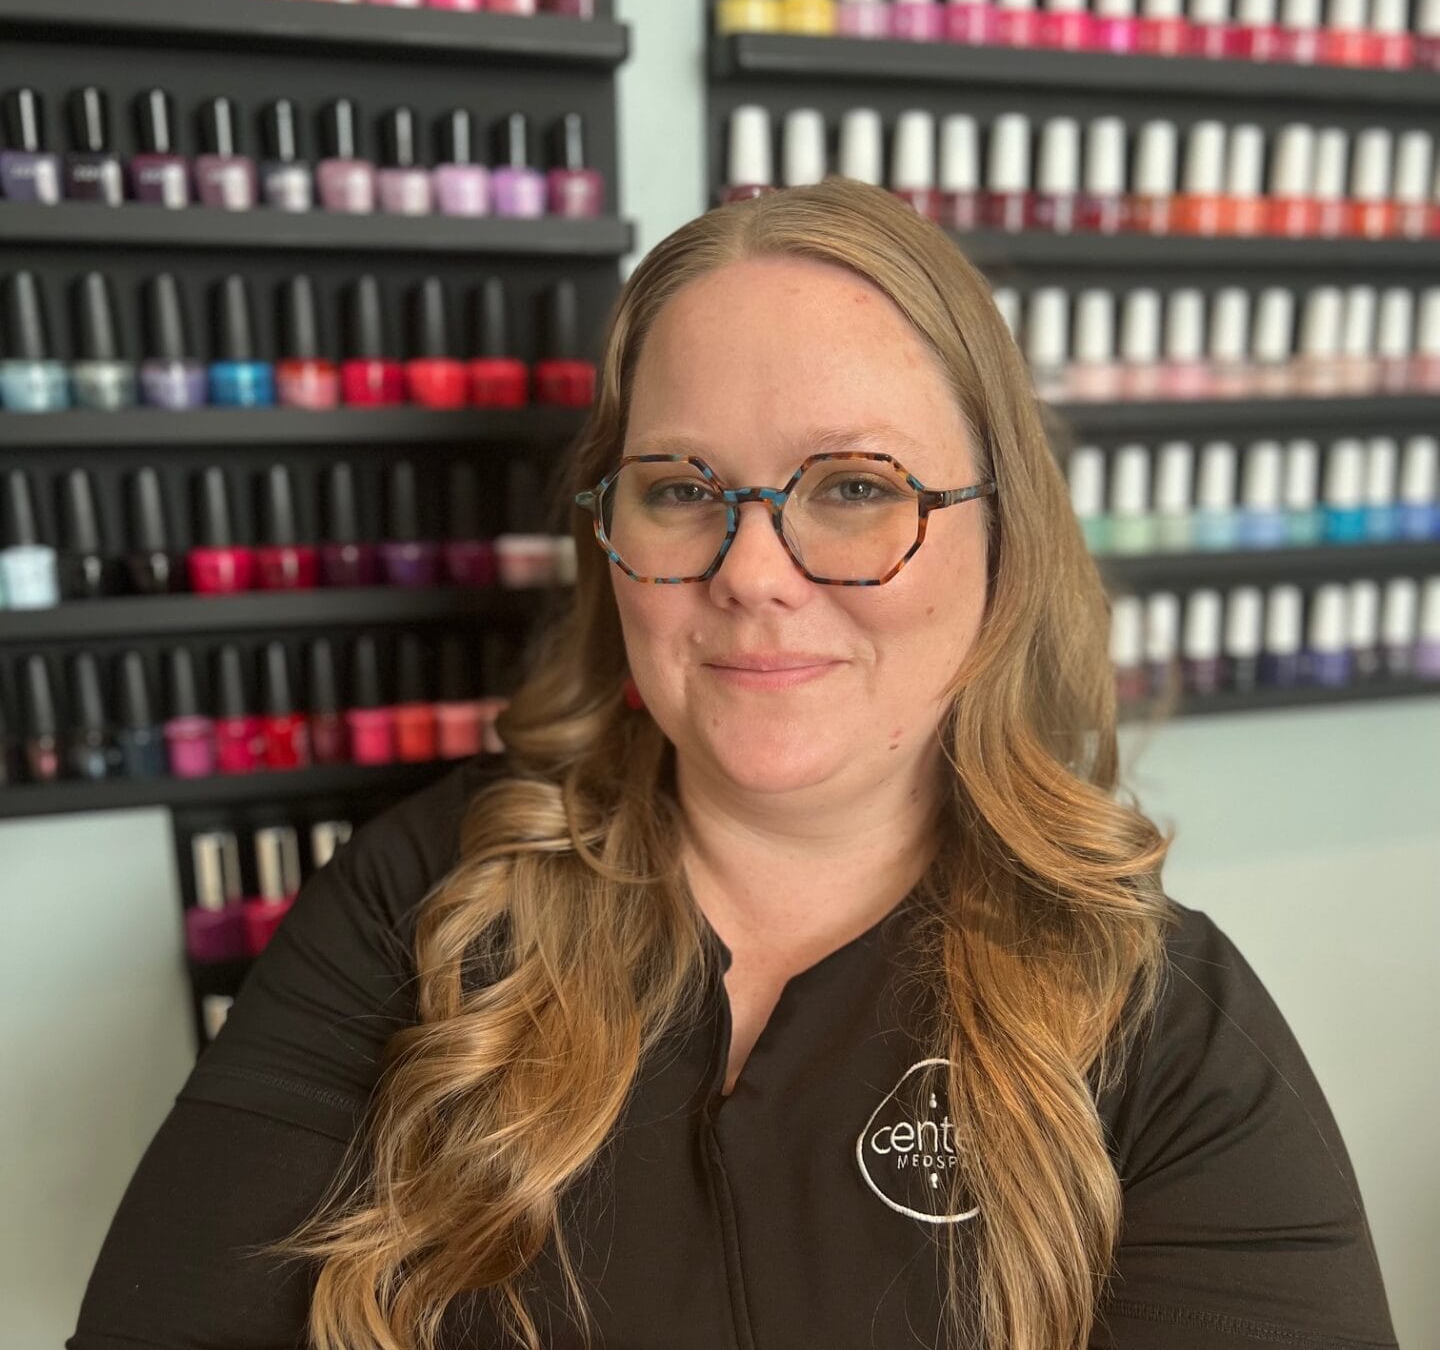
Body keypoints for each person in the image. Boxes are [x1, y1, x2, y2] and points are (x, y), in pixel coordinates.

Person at [68, 178, 1397, 1350]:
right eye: (683, 488)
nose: (752, 575)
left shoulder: (1170, 1026)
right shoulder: (421, 901)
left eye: (857, 487)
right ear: (612, 530)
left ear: (1004, 538)